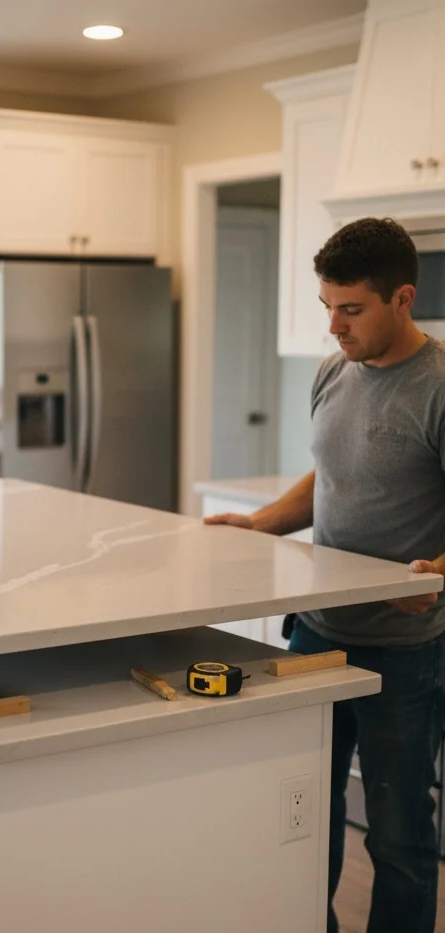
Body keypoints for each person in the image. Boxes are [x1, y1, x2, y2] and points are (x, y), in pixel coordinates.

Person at [206, 216, 445, 933]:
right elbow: (331, 476)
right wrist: (262, 522)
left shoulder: (437, 386)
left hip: (405, 652)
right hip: (314, 637)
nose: (334, 327)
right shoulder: (333, 372)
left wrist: (437, 570)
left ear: (401, 298)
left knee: (399, 835)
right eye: (327, 308)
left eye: (351, 309)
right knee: (304, 820)